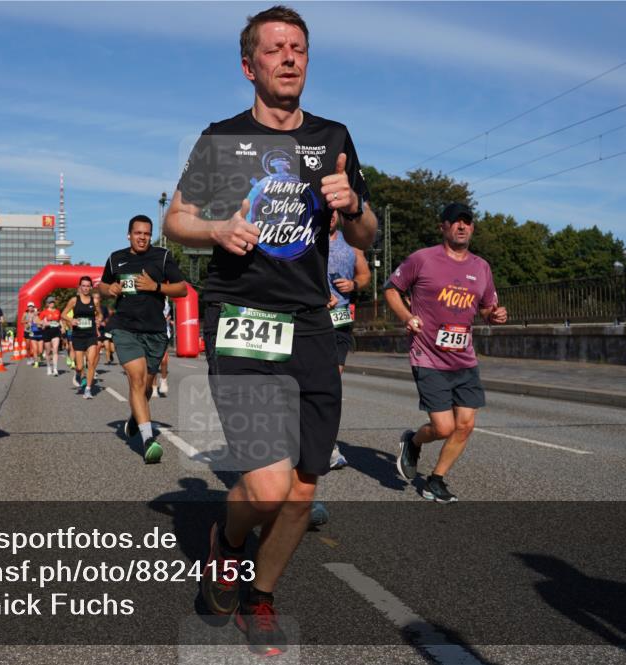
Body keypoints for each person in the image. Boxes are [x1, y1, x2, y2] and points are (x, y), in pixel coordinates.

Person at [162, 6, 376, 655]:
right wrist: (215, 229)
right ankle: (226, 544)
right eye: (276, 48)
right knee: (266, 484)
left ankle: (260, 595)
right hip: (244, 316)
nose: (290, 57)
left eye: (300, 48)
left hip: (310, 321)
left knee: (304, 487)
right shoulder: (222, 139)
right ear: (248, 64)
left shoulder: (333, 136)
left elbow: (366, 234)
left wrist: (356, 205)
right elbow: (176, 219)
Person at [386, 202, 507, 503]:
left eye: (467, 222)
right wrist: (407, 317)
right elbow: (391, 288)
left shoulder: (481, 267)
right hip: (428, 356)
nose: (462, 226)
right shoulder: (422, 259)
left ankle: (435, 480)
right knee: (443, 427)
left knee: (465, 425)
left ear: (472, 228)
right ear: (443, 227)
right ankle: (413, 442)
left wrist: (495, 315)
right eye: (455, 222)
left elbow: (487, 307)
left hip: (464, 358)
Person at [99, 215, 188, 464]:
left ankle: (135, 418)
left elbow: (182, 289)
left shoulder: (161, 257)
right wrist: (111, 289)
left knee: (147, 386)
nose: (142, 237)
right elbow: (103, 286)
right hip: (125, 328)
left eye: (147, 234)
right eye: (138, 233)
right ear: (129, 234)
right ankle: (149, 440)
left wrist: (156, 287)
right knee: (136, 379)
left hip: (155, 331)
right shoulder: (116, 258)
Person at [326, 211, 371, 469]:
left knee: (331, 383)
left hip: (339, 319)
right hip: (309, 318)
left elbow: (364, 275)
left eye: (335, 212)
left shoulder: (350, 244)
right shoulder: (305, 239)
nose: (330, 216)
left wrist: (353, 285)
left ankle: (329, 445)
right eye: (326, 211)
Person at [63, 276, 104, 399]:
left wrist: (99, 319)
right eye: (83, 286)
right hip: (78, 336)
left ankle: (88, 389)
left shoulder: (94, 301)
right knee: (80, 366)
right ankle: (78, 374)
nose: (86, 288)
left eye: (88, 286)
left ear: (91, 287)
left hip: (91, 335)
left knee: (91, 363)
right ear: (79, 287)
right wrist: (71, 320)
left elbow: (100, 313)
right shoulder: (74, 300)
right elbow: (63, 314)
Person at [153, 301, 173, 398]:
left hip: (164, 332)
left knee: (164, 360)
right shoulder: (148, 299)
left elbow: (169, 314)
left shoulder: (165, 302)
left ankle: (163, 380)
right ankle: (153, 386)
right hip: (150, 332)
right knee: (153, 362)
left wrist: (168, 318)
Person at [39, 297, 62, 375]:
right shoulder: (44, 312)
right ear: (48, 304)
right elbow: (38, 322)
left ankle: (55, 369)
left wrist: (62, 327)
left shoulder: (57, 311)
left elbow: (60, 320)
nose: (52, 303)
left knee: (55, 350)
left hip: (56, 332)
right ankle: (49, 367)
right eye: (50, 302)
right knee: (48, 352)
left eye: (53, 302)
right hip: (47, 332)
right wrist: (43, 324)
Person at [21, 301, 43, 368]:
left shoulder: (36, 313)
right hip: (28, 331)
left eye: (32, 306)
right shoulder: (25, 313)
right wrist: (27, 322)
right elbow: (21, 321)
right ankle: (29, 358)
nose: (31, 307)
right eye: (29, 306)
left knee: (38, 349)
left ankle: (37, 358)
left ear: (33, 307)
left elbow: (41, 319)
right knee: (28, 346)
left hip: (36, 331)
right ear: (28, 307)